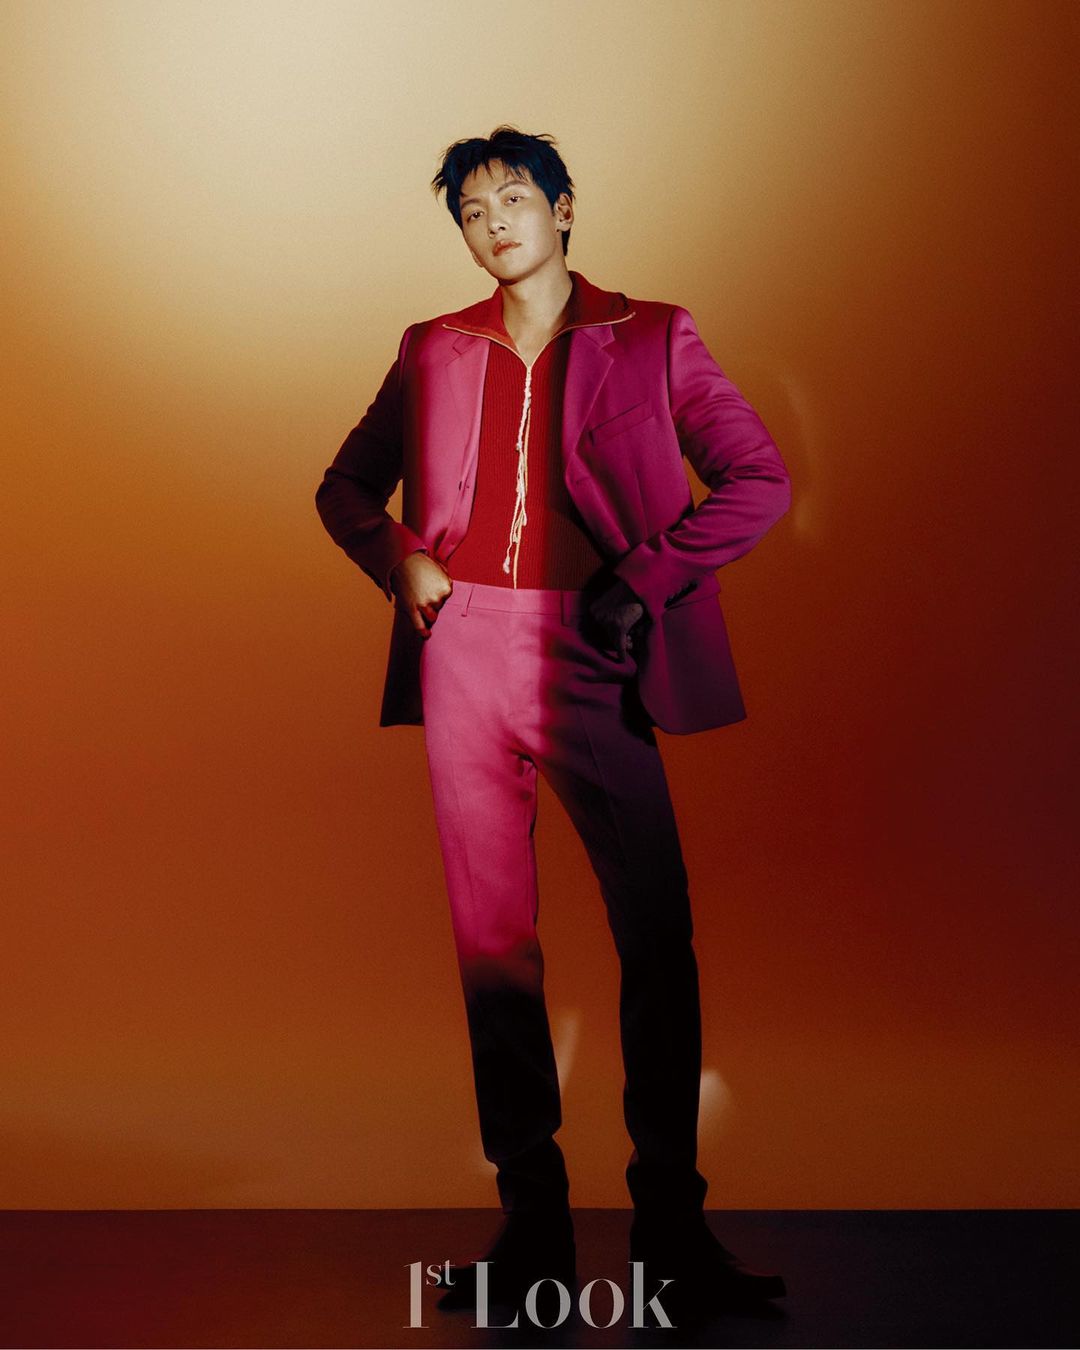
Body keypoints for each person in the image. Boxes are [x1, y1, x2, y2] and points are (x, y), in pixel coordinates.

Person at [314, 125, 791, 1323]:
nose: (495, 223)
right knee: (494, 951)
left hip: (597, 649)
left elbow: (759, 479)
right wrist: (399, 558)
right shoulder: (432, 346)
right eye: (472, 212)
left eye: (515, 198)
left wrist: (648, 577)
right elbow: (344, 487)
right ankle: (531, 1232)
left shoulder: (654, 334)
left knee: (656, 936)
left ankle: (672, 1233)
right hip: (462, 653)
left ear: (565, 208)